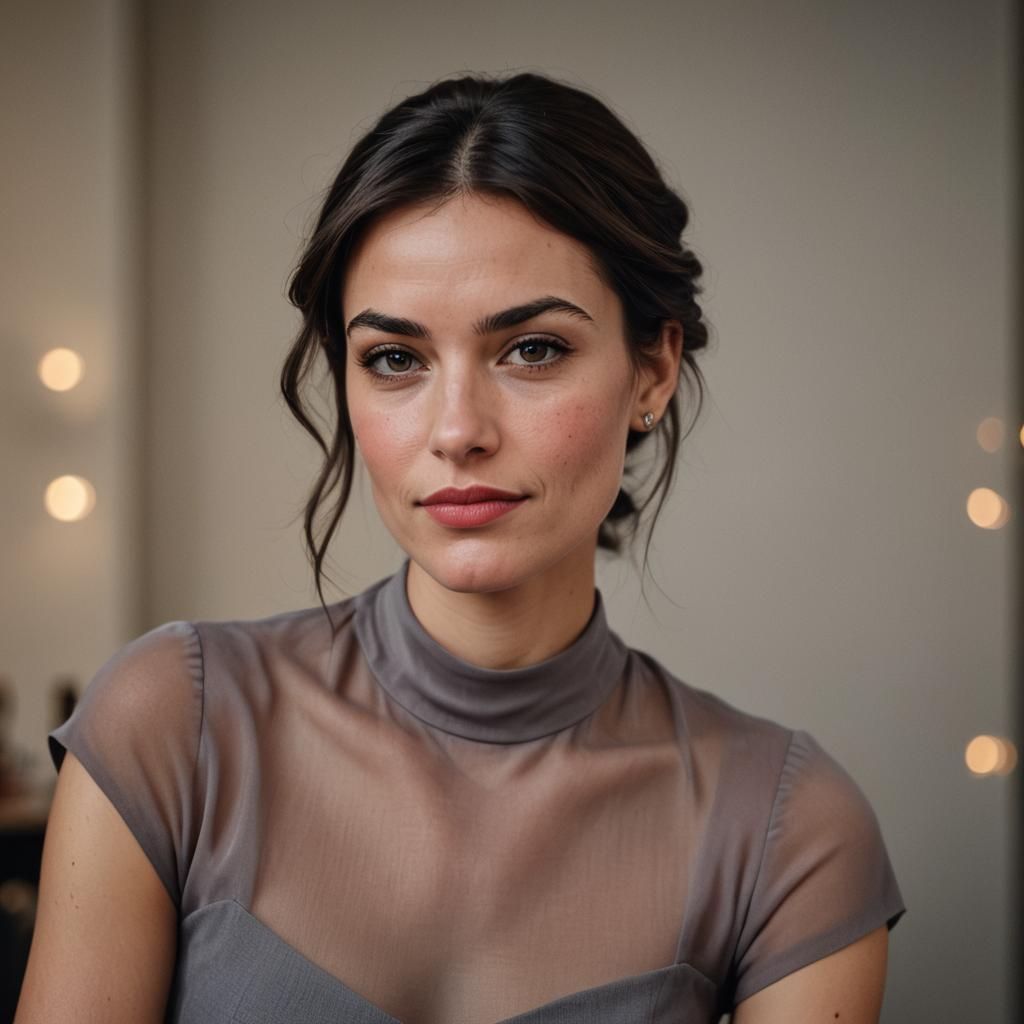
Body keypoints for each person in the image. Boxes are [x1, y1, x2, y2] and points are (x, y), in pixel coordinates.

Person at [16, 73, 904, 1024]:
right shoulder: (170, 727)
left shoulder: (789, 831)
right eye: (395, 359)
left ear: (653, 368)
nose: (458, 431)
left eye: (532, 349)